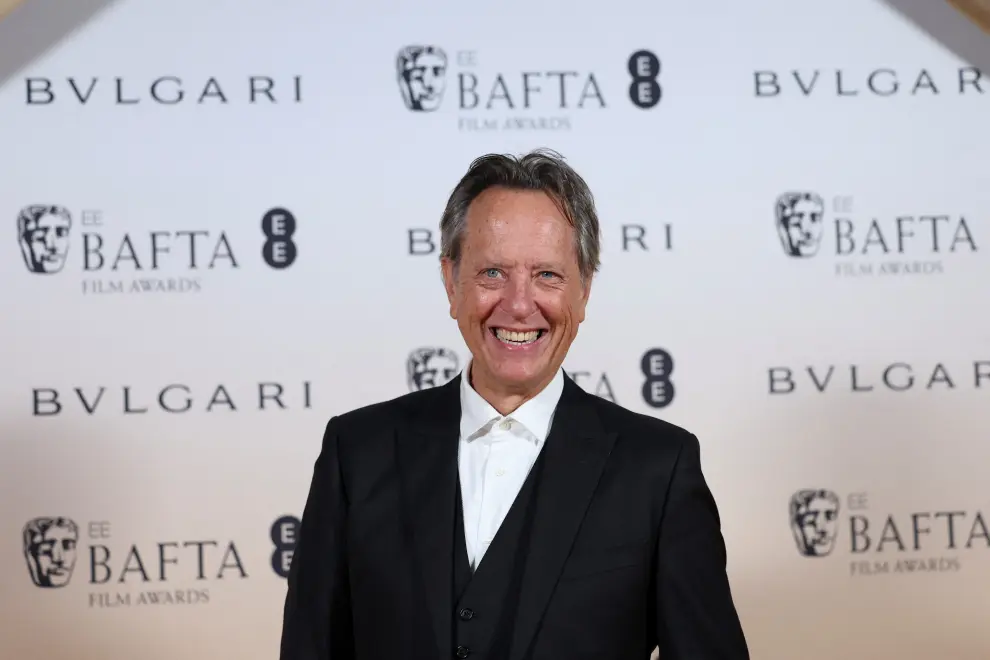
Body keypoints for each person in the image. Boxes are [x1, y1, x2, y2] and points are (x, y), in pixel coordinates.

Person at [279, 148, 749, 659]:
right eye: (492, 274)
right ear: (451, 282)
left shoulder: (658, 468)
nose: (520, 304)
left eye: (547, 274)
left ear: (584, 290)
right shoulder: (357, 454)